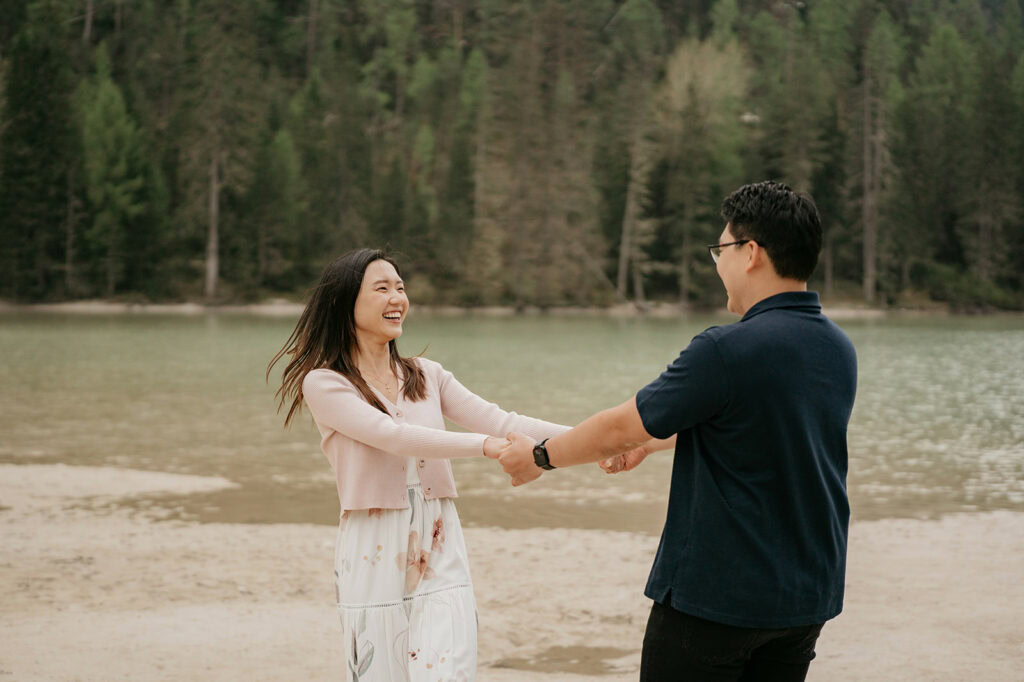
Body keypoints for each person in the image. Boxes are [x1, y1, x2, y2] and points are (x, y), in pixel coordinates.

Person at [491, 181, 858, 681]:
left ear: (751, 253)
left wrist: (539, 457)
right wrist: (654, 441)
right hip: (805, 596)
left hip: (718, 597)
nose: (717, 262)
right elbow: (757, 429)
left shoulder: (726, 350)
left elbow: (620, 424)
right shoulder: (837, 349)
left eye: (720, 248)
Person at [268, 248, 569, 682]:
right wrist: (487, 447)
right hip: (373, 544)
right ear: (344, 303)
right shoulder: (325, 383)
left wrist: (596, 439)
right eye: (382, 288)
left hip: (439, 533)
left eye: (401, 287)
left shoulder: (425, 375)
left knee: (449, 669)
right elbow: (392, 436)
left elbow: (506, 422)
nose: (397, 297)